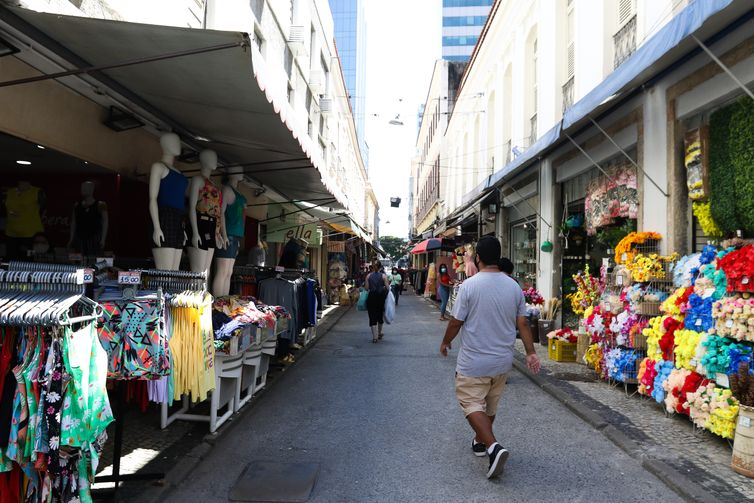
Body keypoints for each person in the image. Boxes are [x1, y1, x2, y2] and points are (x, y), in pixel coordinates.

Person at [440, 236, 541, 479]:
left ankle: (494, 447)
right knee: (490, 404)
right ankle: (479, 441)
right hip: (502, 361)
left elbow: (456, 320)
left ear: (478, 258)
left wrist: (446, 341)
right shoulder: (513, 286)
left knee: (472, 403)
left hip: (474, 361)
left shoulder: (470, 286)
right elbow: (523, 322)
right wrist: (530, 353)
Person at [365, 261, 390, 343]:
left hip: (371, 297)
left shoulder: (368, 276)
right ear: (380, 267)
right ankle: (379, 333)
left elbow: (366, 288)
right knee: (380, 315)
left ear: (372, 267)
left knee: (372, 316)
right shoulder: (384, 276)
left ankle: (374, 337)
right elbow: (387, 288)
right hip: (380, 298)